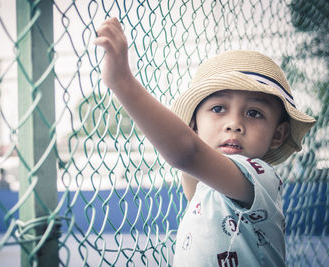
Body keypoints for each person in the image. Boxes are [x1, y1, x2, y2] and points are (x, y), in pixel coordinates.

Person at [94, 17, 315, 266]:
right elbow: (189, 160)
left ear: (278, 135)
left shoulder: (258, 176)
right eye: (219, 108)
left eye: (254, 113)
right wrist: (191, 135)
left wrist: (123, 82)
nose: (234, 123)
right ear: (193, 126)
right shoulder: (208, 185)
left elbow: (188, 154)